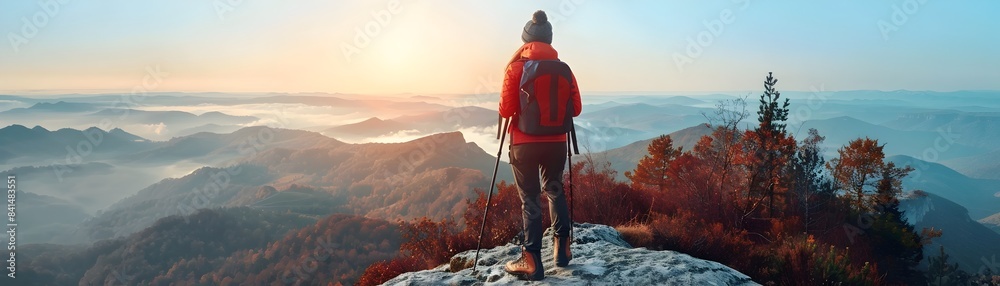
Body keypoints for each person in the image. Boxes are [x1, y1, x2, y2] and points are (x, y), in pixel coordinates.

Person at [498, 10, 582, 281]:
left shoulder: (515, 68)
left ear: (526, 41)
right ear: (549, 40)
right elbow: (576, 109)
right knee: (555, 191)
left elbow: (506, 109)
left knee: (531, 199)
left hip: (524, 144)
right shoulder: (564, 69)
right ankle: (562, 249)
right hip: (557, 143)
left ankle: (531, 260)